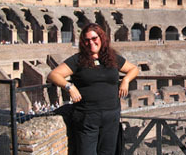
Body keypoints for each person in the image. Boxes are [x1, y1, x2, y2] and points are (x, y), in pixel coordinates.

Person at [47, 23, 139, 155]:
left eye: (94, 38)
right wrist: (70, 87)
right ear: (83, 42)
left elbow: (134, 69)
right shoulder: (77, 60)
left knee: (108, 152)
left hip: (111, 115)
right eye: (87, 40)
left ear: (101, 38)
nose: (91, 42)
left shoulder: (111, 58)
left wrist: (125, 80)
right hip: (87, 116)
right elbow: (53, 75)